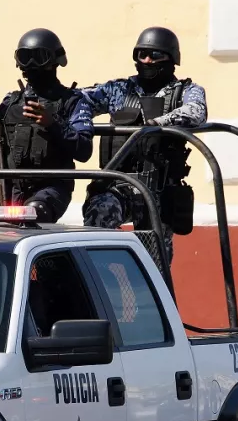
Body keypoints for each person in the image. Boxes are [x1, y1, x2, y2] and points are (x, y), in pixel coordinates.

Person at [80, 26, 208, 266]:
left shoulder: (186, 91)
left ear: (171, 59)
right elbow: (78, 101)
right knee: (98, 217)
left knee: (155, 262)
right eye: (142, 55)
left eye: (155, 55)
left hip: (159, 192)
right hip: (119, 185)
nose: (147, 60)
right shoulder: (119, 89)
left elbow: (196, 111)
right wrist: (78, 122)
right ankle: (101, 281)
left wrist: (157, 124)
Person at [0, 28, 94, 223]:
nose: (31, 65)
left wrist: (52, 123)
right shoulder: (10, 103)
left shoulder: (72, 101)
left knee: (31, 214)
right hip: (8, 192)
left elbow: (84, 151)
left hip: (50, 190)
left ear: (54, 62)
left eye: (38, 57)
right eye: (25, 57)